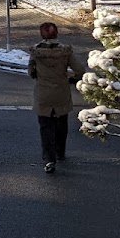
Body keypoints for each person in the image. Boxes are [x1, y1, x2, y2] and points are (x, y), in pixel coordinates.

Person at [28, 21, 86, 174]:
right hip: (61, 93)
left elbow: (31, 72)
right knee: (61, 124)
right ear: (57, 33)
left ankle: (49, 159)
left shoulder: (36, 52)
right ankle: (60, 152)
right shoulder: (65, 52)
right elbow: (80, 70)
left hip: (43, 95)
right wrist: (70, 79)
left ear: (41, 34)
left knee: (45, 127)